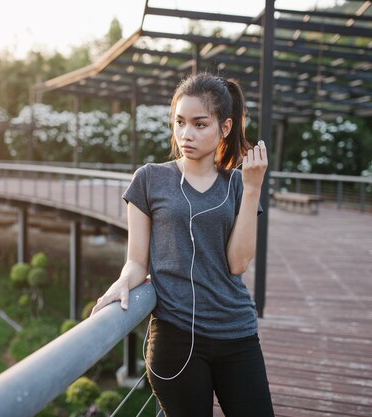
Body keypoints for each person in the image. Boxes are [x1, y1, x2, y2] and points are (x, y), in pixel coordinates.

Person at [91, 72, 274, 417]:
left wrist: (252, 190)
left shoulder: (236, 185)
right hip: (176, 338)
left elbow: (238, 264)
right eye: (180, 122)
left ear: (225, 127)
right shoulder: (149, 179)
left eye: (199, 124)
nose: (186, 134)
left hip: (236, 331)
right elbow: (136, 262)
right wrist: (121, 283)